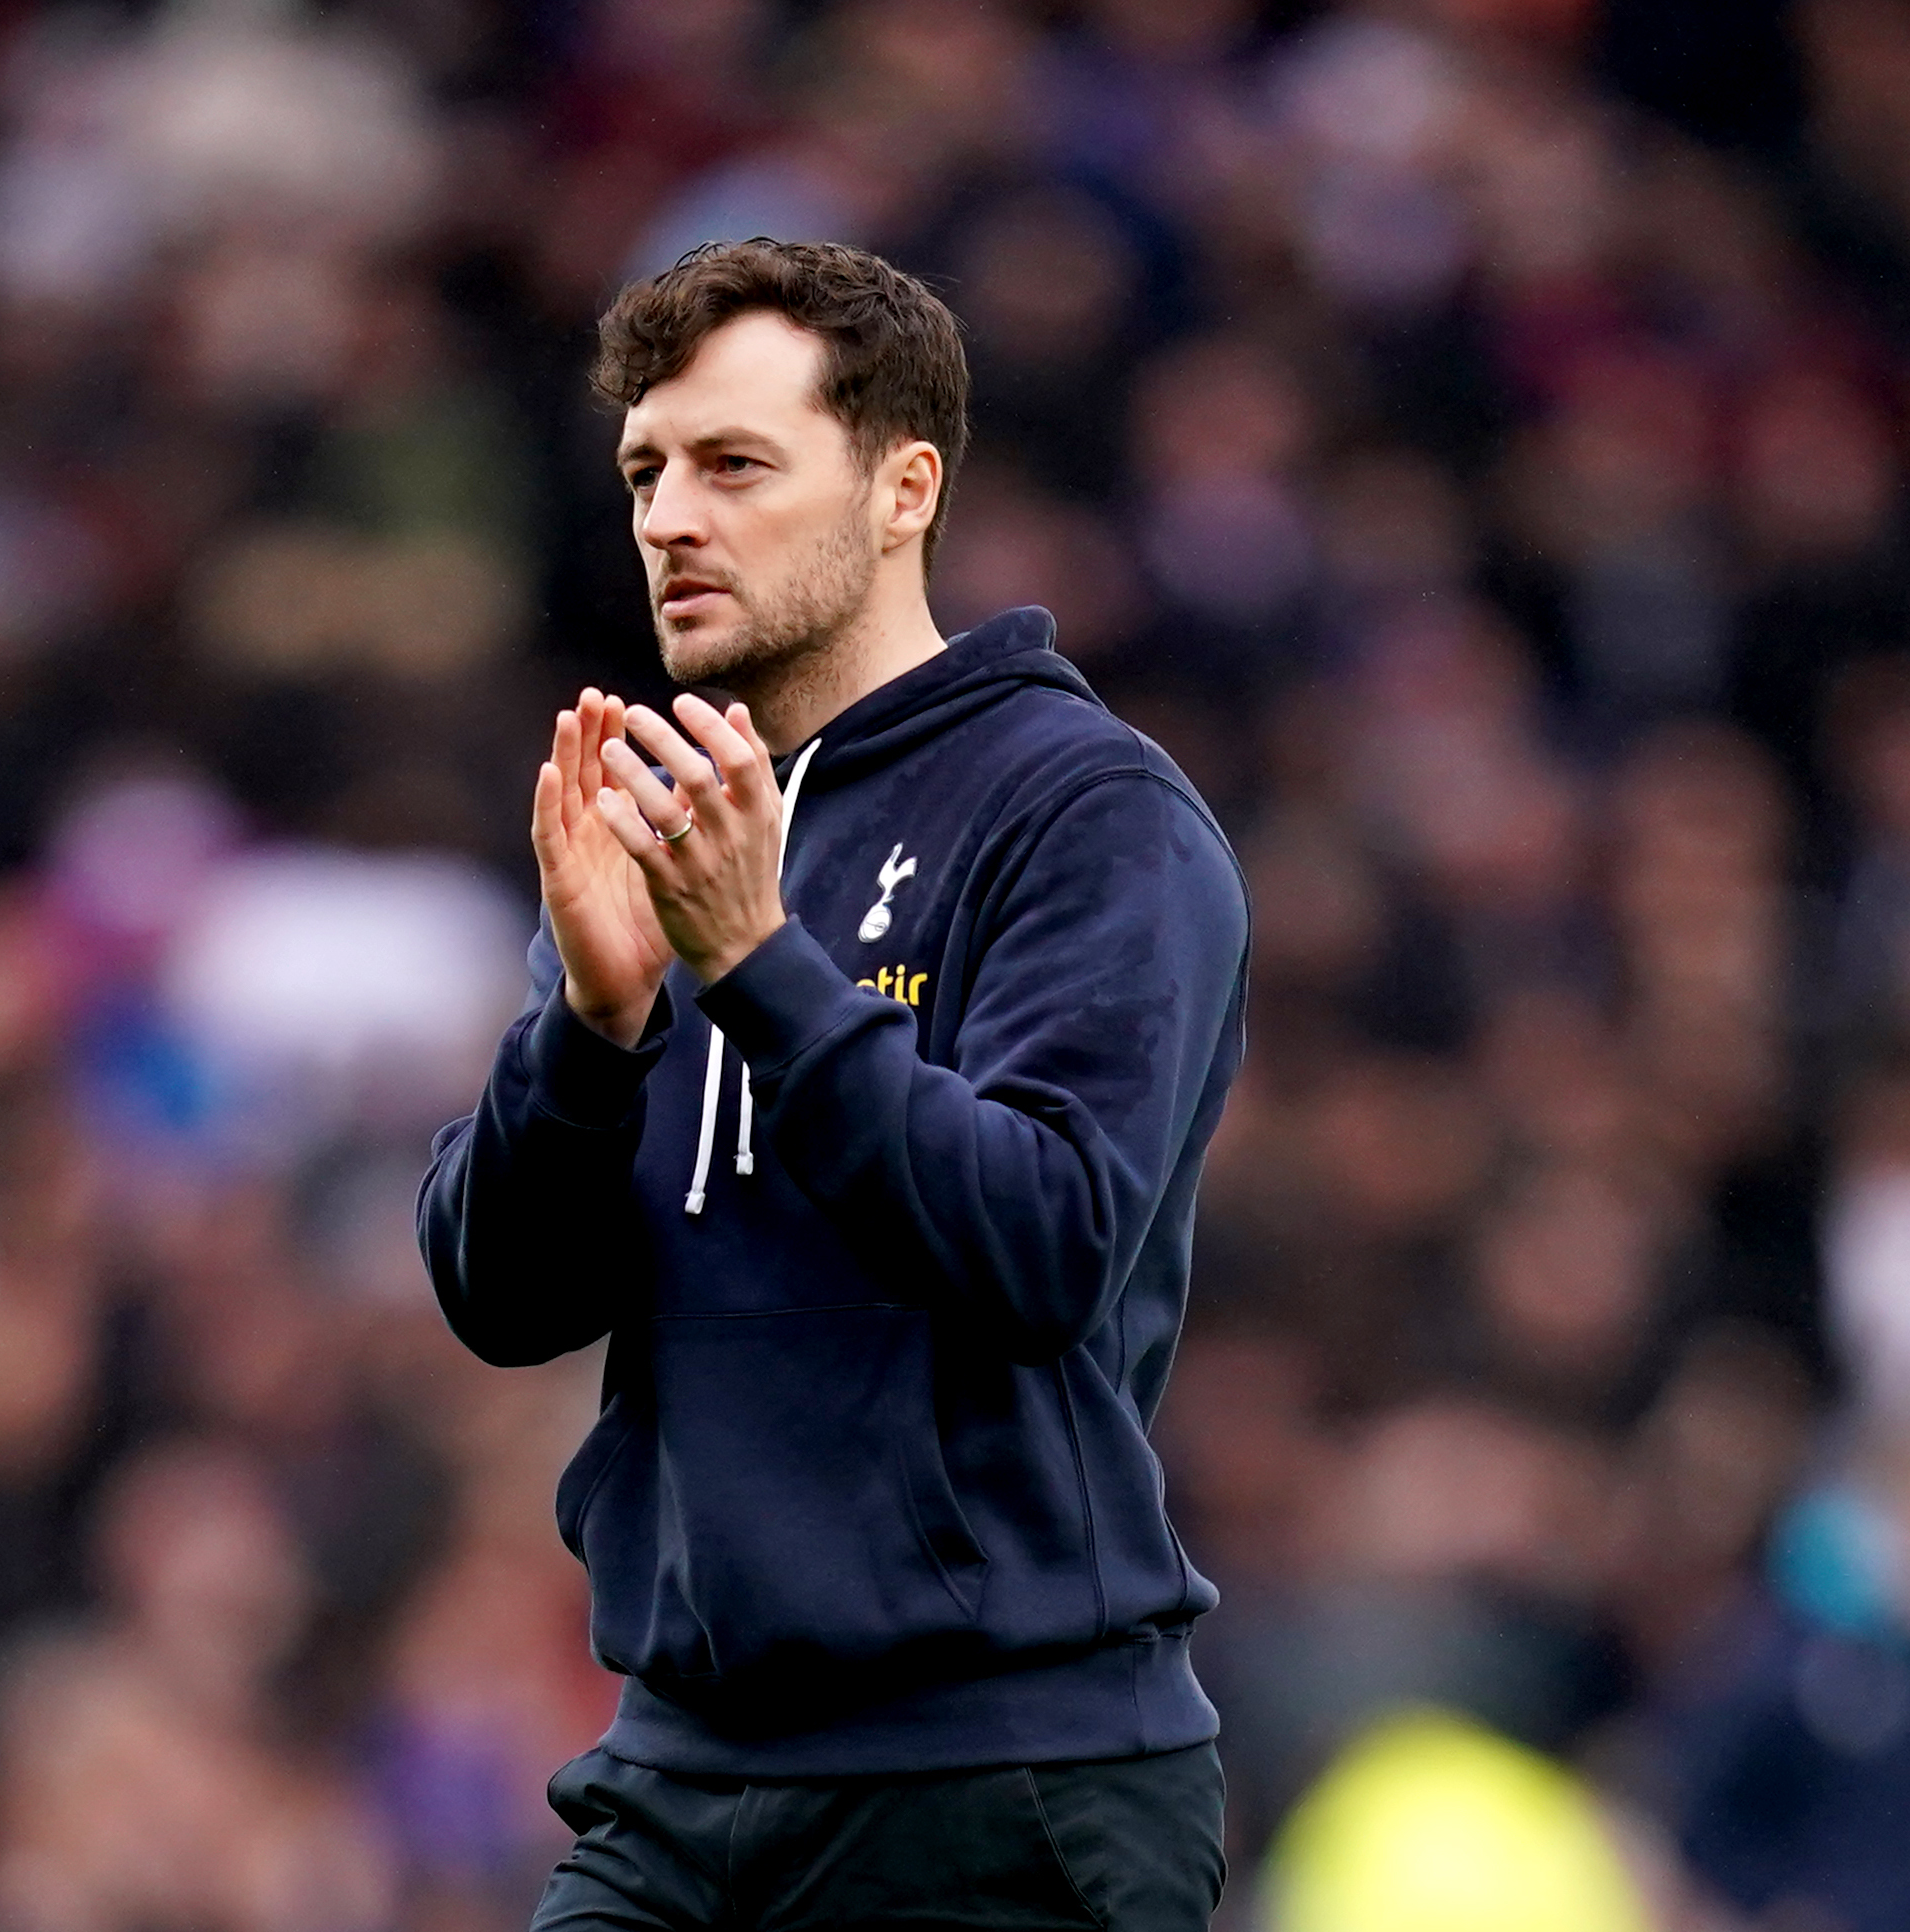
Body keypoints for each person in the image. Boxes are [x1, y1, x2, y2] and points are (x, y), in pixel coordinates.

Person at [416, 239, 1250, 1932]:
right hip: (670, 1779)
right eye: (646, 470)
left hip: (999, 1787)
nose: (667, 518)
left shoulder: (1085, 811)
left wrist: (760, 968)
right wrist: (587, 1029)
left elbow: (1042, 1245)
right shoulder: (660, 816)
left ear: (900, 488)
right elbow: (501, 1300)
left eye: (733, 466)